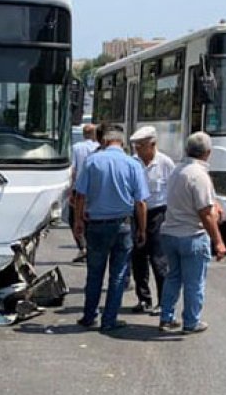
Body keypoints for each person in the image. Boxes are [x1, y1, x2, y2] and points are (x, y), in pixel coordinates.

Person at [73, 124, 149, 333]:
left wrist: (78, 221)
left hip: (96, 225)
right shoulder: (132, 164)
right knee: (118, 274)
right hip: (123, 225)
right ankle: (109, 319)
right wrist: (142, 229)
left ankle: (89, 316)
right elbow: (140, 202)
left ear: (104, 142)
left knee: (94, 273)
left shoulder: (92, 161)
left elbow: (80, 195)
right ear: (122, 143)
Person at [158, 132, 226, 335]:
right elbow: (205, 214)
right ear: (208, 153)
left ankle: (166, 317)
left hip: (170, 233)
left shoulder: (177, 170)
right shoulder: (199, 175)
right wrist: (219, 242)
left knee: (173, 278)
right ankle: (191, 322)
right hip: (191, 236)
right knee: (194, 282)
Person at [129, 126, 176, 316]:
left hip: (158, 213)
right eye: (136, 146)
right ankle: (143, 299)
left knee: (159, 260)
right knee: (138, 258)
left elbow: (173, 192)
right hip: (136, 213)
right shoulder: (132, 162)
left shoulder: (166, 163)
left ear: (153, 145)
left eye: (141, 146)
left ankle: (163, 302)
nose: (137, 150)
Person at [68, 123, 99, 262]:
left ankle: (83, 247)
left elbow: (73, 170)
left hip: (79, 188)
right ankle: (91, 247)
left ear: (83, 134)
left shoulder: (76, 147)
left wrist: (70, 189)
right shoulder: (98, 148)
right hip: (94, 188)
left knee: (74, 217)